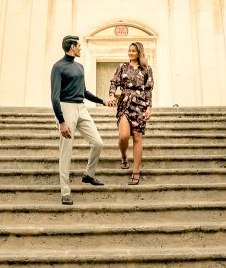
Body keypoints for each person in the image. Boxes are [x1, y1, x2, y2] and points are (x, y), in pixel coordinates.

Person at [50, 35, 106, 205]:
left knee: (98, 143)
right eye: (79, 46)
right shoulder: (58, 67)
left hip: (82, 108)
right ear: (72, 47)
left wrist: (102, 101)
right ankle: (65, 192)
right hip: (66, 109)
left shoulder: (79, 66)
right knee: (66, 151)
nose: (81, 48)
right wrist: (61, 121)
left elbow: (84, 91)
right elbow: (54, 96)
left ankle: (88, 175)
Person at [107, 42, 153, 185]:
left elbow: (148, 90)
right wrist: (111, 95)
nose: (131, 53)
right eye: (129, 50)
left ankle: (136, 171)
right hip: (125, 103)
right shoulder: (122, 67)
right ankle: (123, 155)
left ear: (139, 52)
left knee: (138, 137)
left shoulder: (147, 69)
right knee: (124, 136)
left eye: (133, 51)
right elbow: (114, 82)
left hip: (140, 105)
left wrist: (149, 108)